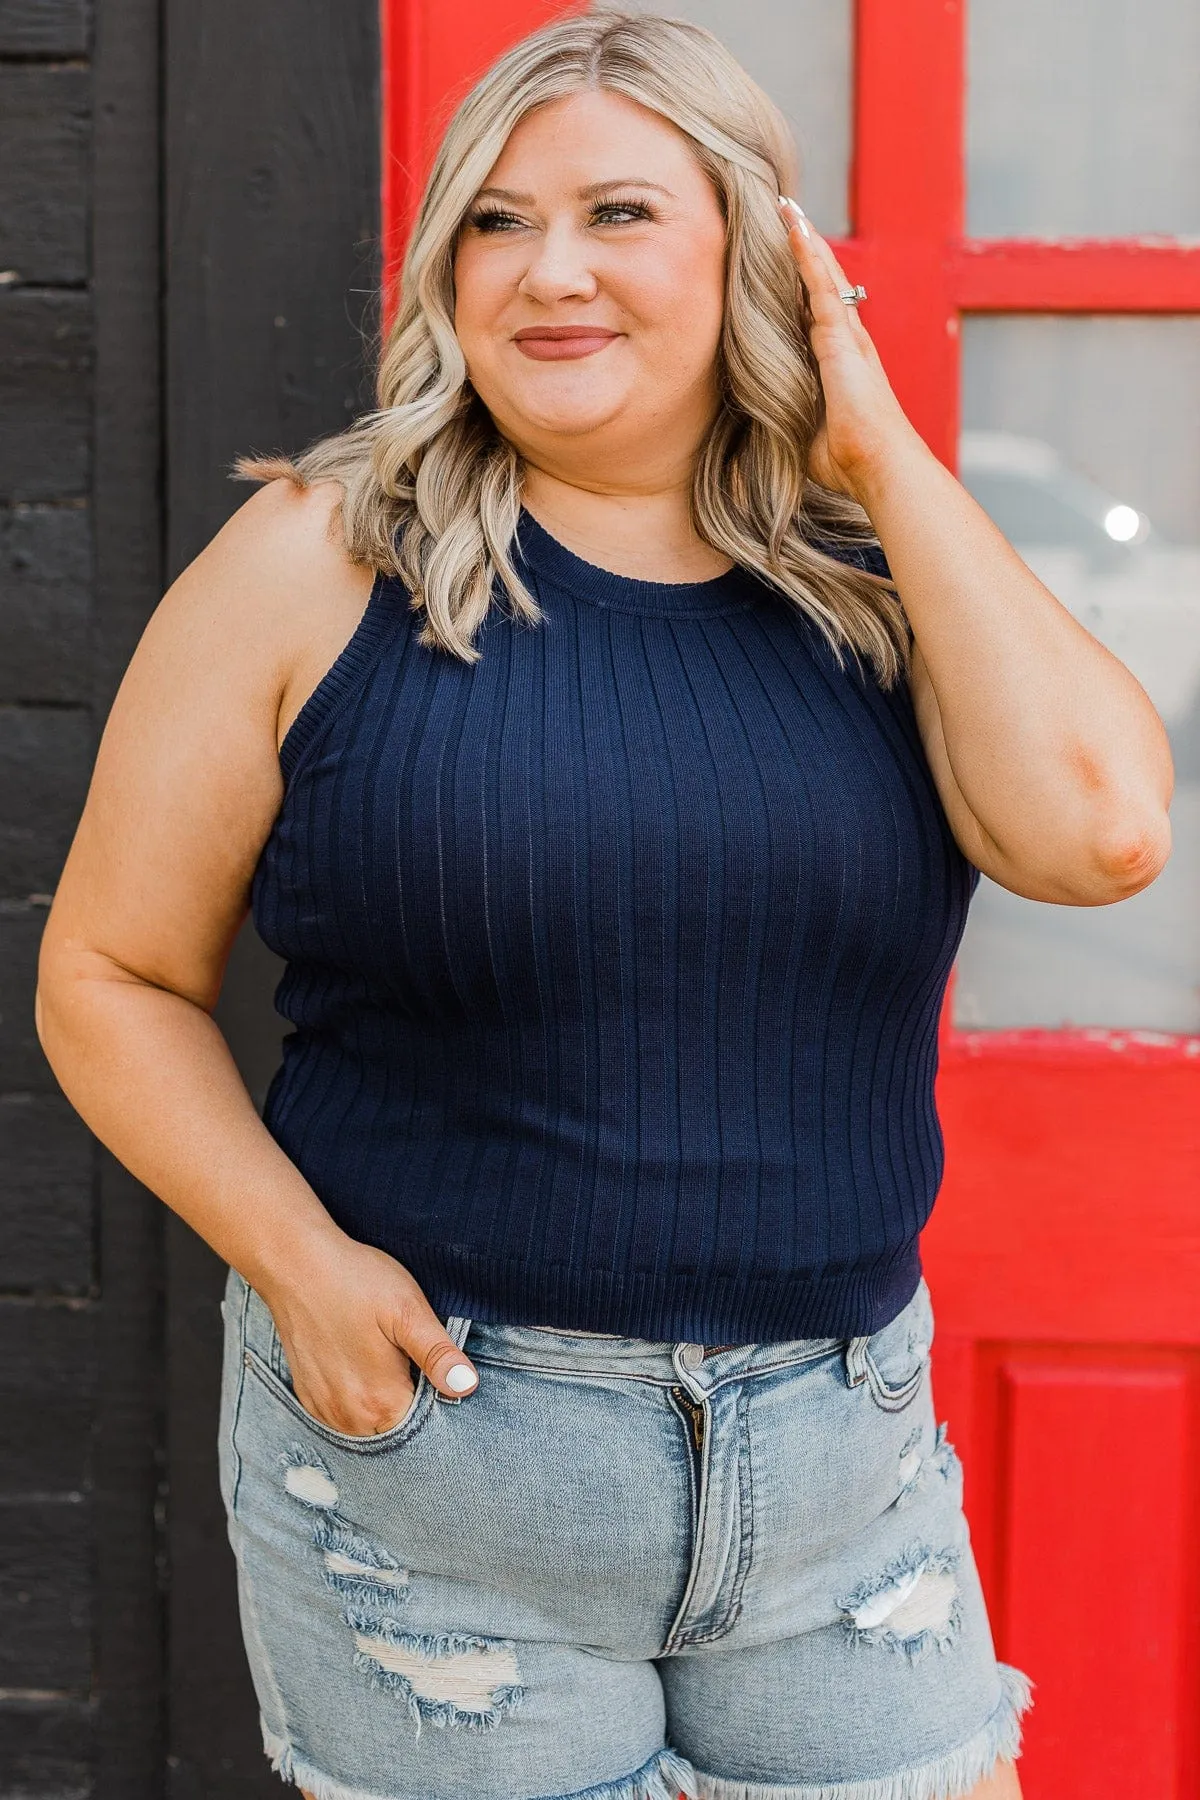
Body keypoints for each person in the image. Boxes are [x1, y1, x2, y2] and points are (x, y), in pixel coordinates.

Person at [35, 11, 1172, 1800]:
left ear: (759, 253)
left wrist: (869, 442)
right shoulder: (320, 564)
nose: (547, 271)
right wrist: (301, 1267)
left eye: (619, 213)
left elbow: (1103, 836)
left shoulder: (881, 589)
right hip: (445, 1468)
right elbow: (106, 972)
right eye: (493, 222)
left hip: (840, 1490)